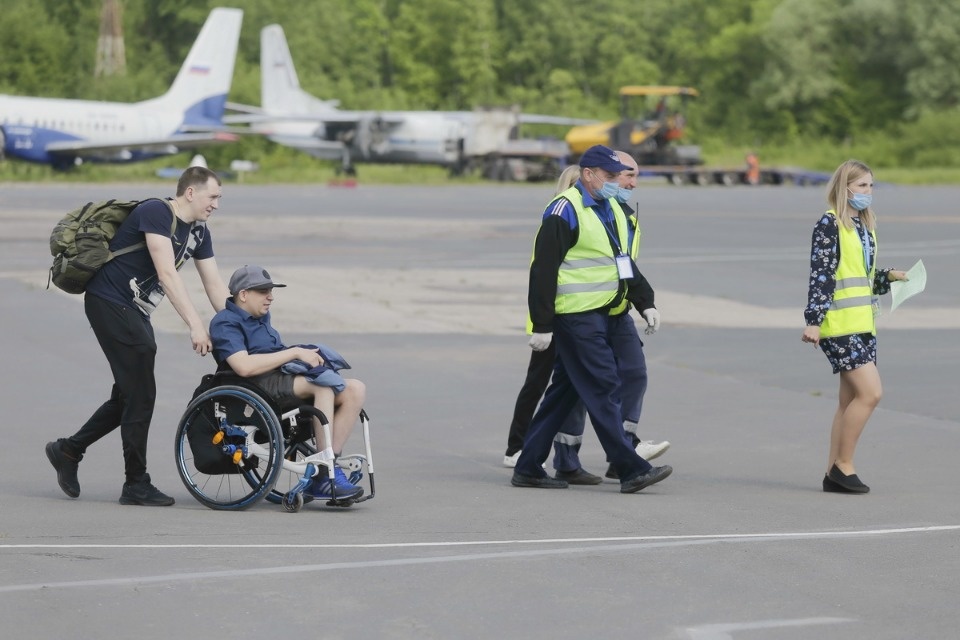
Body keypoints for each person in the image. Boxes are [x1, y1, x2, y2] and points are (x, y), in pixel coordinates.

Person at [45, 167, 231, 506]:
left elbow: (215, 285)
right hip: (108, 301)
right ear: (190, 192)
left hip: (134, 311)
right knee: (141, 393)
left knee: (131, 394)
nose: (216, 204)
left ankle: (69, 450)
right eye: (213, 196)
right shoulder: (156, 212)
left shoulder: (200, 233)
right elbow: (166, 272)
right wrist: (195, 324)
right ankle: (135, 483)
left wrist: (239, 326)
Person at [511, 145, 672, 493]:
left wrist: (645, 300)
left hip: (609, 312)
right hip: (576, 317)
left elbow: (622, 260)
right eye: (610, 177)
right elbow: (543, 271)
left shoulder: (610, 206)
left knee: (565, 394)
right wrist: (541, 324)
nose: (617, 183)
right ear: (588, 174)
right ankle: (630, 467)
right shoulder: (563, 211)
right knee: (603, 387)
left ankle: (527, 466)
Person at [209, 265, 367, 501]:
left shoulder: (260, 316)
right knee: (322, 386)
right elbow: (244, 366)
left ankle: (329, 463)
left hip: (279, 377)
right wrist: (294, 353)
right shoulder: (225, 323)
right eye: (263, 291)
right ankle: (326, 473)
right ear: (243, 295)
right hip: (256, 385)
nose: (270, 297)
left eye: (271, 291)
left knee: (355, 388)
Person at [801, 159, 908, 494]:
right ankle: (843, 466)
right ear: (844, 187)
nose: (868, 193)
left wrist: (888, 277)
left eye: (871, 186)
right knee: (871, 393)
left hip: (863, 324)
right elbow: (822, 275)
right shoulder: (830, 223)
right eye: (861, 186)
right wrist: (814, 321)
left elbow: (861, 279)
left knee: (849, 402)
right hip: (839, 325)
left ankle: (832, 472)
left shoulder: (865, 226)